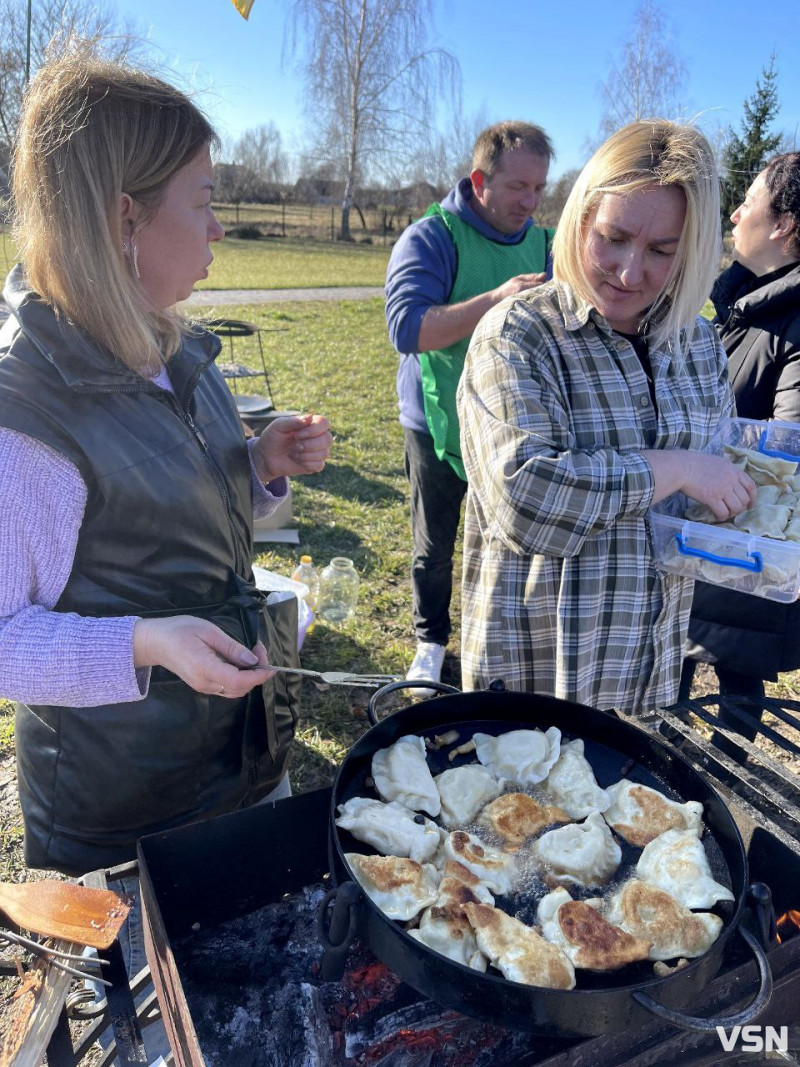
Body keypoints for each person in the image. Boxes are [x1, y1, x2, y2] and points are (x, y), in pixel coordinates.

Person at [0, 51, 331, 1056]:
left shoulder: (174, 351)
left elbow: (176, 515)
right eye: (206, 200)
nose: (221, 227)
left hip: (233, 760)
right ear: (124, 218)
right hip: (118, 821)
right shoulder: (27, 416)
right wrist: (146, 641)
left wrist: (255, 468)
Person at [457, 119, 759, 715]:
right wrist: (671, 469)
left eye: (661, 251)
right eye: (612, 237)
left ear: (692, 250)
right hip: (538, 670)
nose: (628, 272)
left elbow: (712, 481)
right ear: (580, 219)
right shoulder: (520, 333)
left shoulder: (697, 345)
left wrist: (757, 507)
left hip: (647, 665)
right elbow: (525, 497)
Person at [385, 121, 554, 692]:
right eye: (517, 187)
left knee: (506, 542)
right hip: (435, 421)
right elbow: (408, 328)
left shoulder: (546, 244)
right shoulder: (431, 237)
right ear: (480, 180)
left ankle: (498, 645)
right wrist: (498, 301)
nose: (529, 202)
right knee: (435, 543)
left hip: (510, 427)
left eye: (538, 189)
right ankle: (430, 644)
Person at [679, 152, 800, 734]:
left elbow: (790, 455)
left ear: (783, 224)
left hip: (747, 549)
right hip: (705, 533)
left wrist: (693, 459)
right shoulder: (746, 305)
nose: (734, 214)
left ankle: (722, 794)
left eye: (748, 202)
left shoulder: (793, 320)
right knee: (679, 667)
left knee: (736, 673)